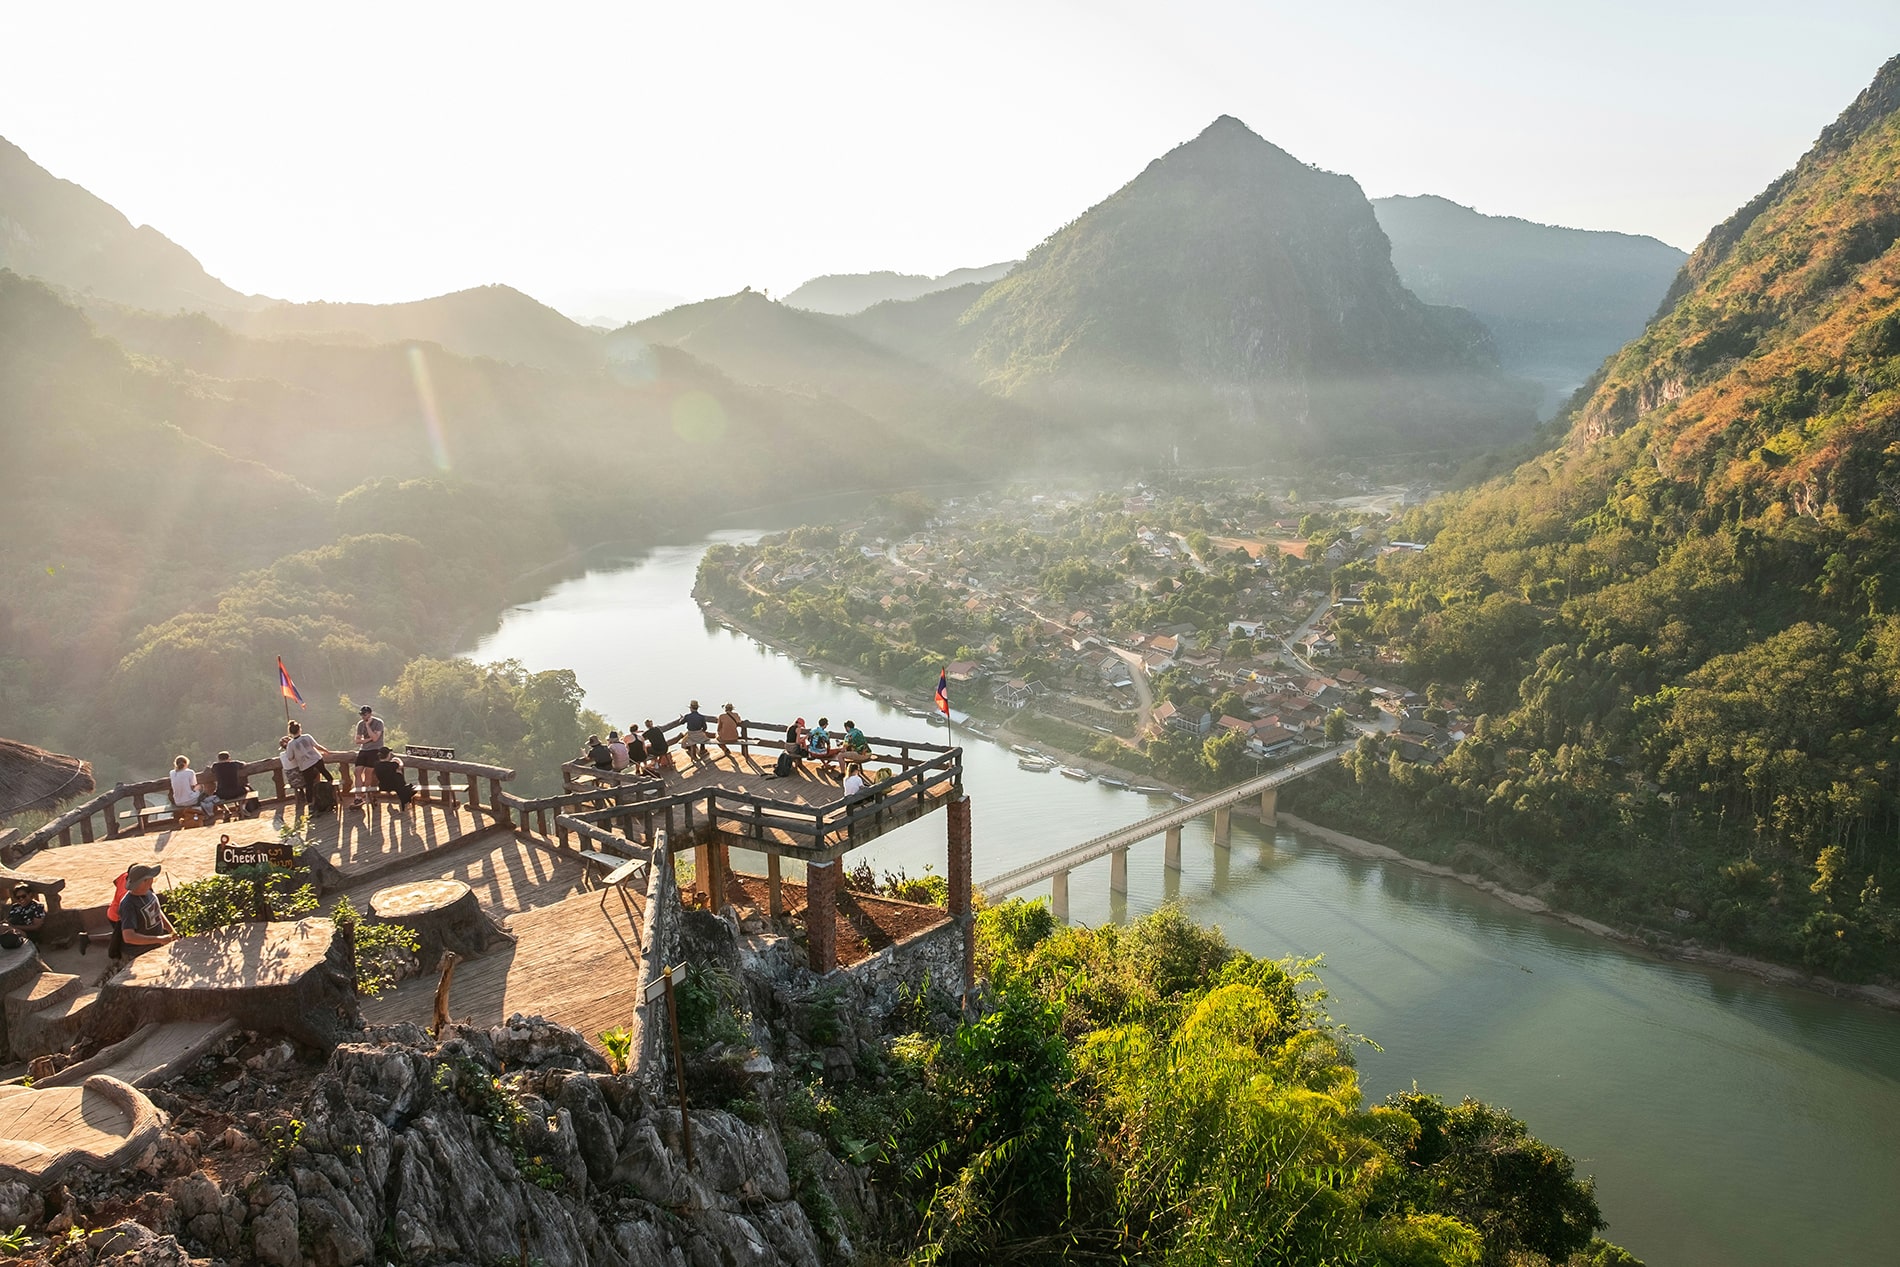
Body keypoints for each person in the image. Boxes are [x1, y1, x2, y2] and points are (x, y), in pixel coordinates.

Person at [118, 864, 176, 954]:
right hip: (141, 953)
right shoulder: (128, 904)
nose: (153, 880)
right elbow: (129, 937)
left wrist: (172, 931)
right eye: (150, 878)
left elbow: (157, 911)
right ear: (143, 881)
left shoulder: (148, 890)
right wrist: (160, 939)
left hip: (156, 946)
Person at [285, 722, 334, 812]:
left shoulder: (291, 744)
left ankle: (310, 805)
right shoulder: (307, 736)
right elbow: (316, 746)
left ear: (290, 732)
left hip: (305, 765)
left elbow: (290, 758)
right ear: (300, 729)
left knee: (309, 785)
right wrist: (325, 750)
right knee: (325, 773)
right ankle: (331, 792)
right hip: (316, 759)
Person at [351, 705, 387, 807]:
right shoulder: (360, 724)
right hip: (363, 750)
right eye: (361, 714)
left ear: (370, 714)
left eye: (365, 714)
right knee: (357, 771)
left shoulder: (378, 723)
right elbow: (357, 740)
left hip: (375, 750)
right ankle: (358, 796)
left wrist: (367, 726)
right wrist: (368, 740)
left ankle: (364, 794)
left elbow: (375, 738)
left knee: (368, 772)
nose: (363, 716)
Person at [170, 756, 219, 823]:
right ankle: (204, 812)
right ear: (186, 763)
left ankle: (200, 811)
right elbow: (193, 785)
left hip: (178, 802)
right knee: (200, 787)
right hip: (190, 800)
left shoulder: (172, 773)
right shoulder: (190, 772)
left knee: (197, 791)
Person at [209, 750, 251, 818]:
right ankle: (242, 808)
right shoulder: (234, 764)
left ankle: (226, 810)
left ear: (219, 759)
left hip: (222, 793)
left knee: (213, 798)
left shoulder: (215, 766)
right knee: (248, 789)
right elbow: (244, 764)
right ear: (229, 758)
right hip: (236, 791)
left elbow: (212, 770)